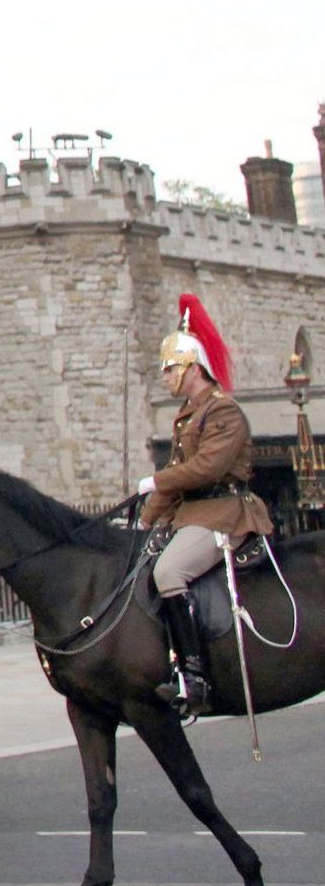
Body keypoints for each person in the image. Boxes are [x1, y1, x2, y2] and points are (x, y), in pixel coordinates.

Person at [138, 293, 271, 719]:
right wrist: (143, 523)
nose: (165, 376)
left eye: (171, 368)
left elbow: (206, 469)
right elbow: (176, 481)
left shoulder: (223, 412)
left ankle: (193, 675)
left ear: (194, 367)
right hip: (191, 513)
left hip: (223, 513)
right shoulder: (188, 415)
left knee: (168, 571)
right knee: (143, 559)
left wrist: (155, 479)